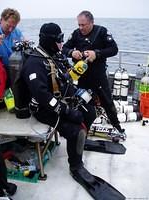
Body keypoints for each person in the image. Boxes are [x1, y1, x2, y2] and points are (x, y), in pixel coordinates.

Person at [20, 22, 125, 199]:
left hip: (61, 99)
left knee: (90, 111)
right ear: (49, 41)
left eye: (62, 39)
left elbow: (65, 78)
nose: (62, 43)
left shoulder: (54, 55)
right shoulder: (34, 64)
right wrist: (67, 111)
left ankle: (81, 143)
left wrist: (78, 94)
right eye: (59, 40)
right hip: (44, 109)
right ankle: (76, 166)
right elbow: (44, 97)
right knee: (75, 130)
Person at [62, 10, 126, 136]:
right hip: (82, 78)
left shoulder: (101, 32)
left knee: (107, 102)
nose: (80, 28)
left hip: (98, 76)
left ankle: (118, 127)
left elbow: (114, 49)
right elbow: (64, 48)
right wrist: (71, 53)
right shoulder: (76, 34)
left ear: (91, 22)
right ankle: (83, 129)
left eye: (83, 25)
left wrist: (97, 54)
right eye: (79, 24)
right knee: (83, 104)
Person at [0, 8, 24, 87]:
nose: (10, 30)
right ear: (1, 20)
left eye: (13, 27)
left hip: (13, 71)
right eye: (8, 26)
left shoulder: (17, 32)